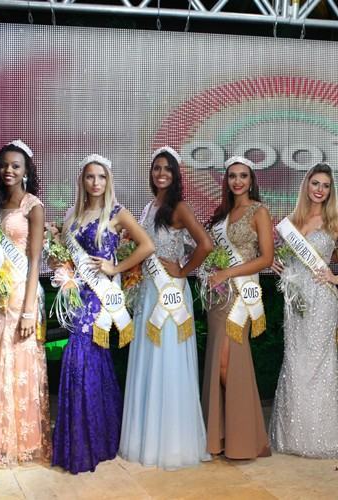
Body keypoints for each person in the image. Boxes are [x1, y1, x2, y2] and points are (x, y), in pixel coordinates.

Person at [52, 154, 154, 473]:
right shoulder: (72, 215)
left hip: (101, 297)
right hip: (79, 295)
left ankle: (90, 441)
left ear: (108, 181)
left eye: (101, 177)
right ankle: (97, 437)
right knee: (92, 359)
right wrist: (63, 269)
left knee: (80, 357)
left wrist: (116, 267)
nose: (96, 182)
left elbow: (146, 246)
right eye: (90, 177)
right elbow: (65, 255)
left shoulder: (118, 213)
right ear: (82, 181)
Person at [119, 147, 213, 468]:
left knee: (168, 360)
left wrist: (184, 271)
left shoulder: (179, 208)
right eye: (157, 168)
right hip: (148, 291)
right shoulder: (149, 206)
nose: (161, 173)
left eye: (167, 169)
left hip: (169, 293)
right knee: (149, 358)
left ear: (175, 175)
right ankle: (147, 437)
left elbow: (206, 244)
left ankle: (172, 444)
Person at [271, 162, 338, 458]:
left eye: (326, 186)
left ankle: (322, 439)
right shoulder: (292, 220)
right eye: (315, 184)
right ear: (307, 186)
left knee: (320, 366)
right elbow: (285, 258)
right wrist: (276, 265)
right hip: (295, 302)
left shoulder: (335, 221)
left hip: (321, 301)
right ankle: (293, 436)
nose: (320, 190)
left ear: (331, 191)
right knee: (295, 363)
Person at [0, 140, 50, 467]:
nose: (9, 170)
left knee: (21, 365)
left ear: (26, 170)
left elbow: (34, 262)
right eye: (4, 165)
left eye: (16, 165)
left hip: (21, 296)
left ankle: (24, 442)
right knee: (0, 363)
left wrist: (30, 309)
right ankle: (0, 439)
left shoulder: (33, 206)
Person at [202, 156, 273, 460]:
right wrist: (210, 271)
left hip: (241, 295)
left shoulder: (259, 211)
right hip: (219, 298)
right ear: (227, 181)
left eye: (243, 175)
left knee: (230, 364)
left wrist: (228, 272)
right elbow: (212, 252)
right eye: (232, 176)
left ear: (251, 179)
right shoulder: (222, 214)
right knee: (217, 363)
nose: (237, 181)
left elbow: (266, 258)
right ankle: (220, 435)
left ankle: (244, 436)